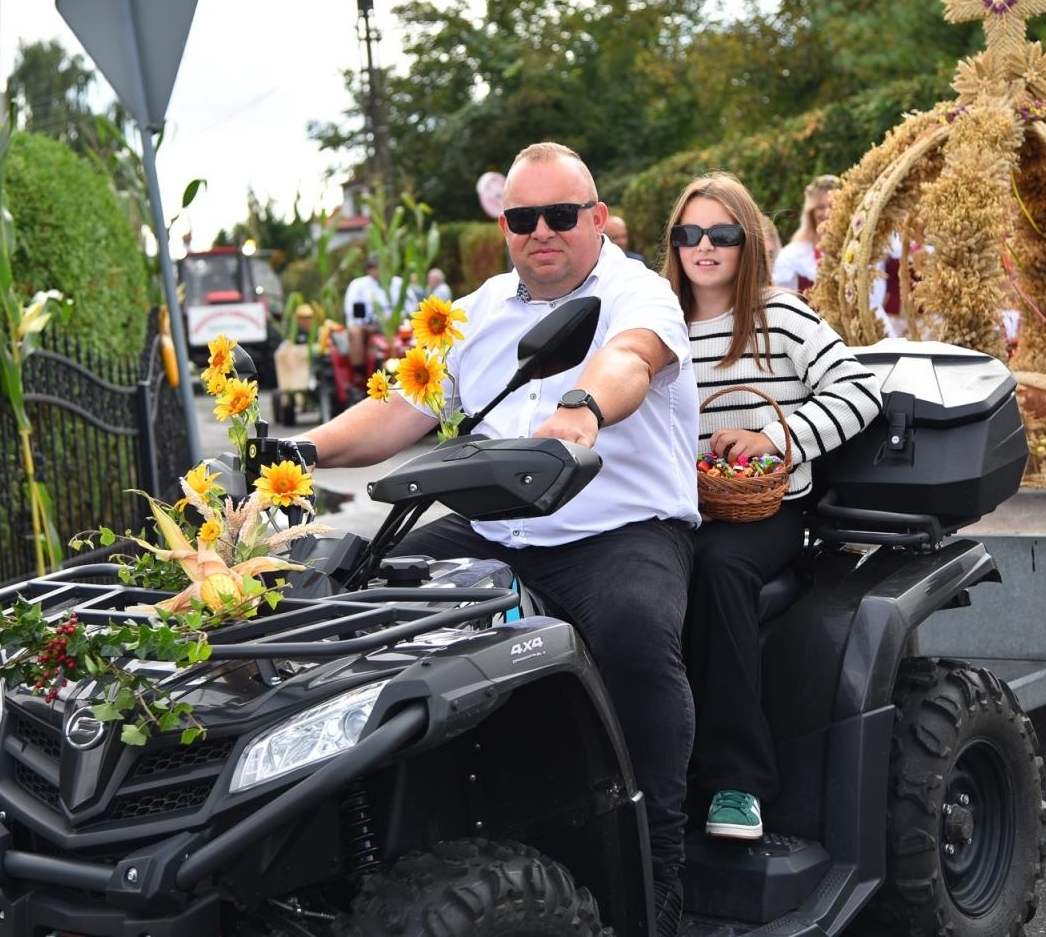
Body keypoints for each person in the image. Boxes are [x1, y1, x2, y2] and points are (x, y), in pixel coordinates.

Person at [306, 141, 698, 933]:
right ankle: (368, 842)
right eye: (524, 218)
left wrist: (583, 406)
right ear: (505, 225)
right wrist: (299, 451)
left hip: (616, 532)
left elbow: (631, 357)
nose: (541, 231)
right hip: (494, 533)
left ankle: (656, 865)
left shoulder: (638, 292)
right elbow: (396, 410)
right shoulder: (477, 310)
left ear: (597, 217)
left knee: (631, 631)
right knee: (355, 597)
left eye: (560, 215)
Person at [664, 171, 879, 842]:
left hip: (767, 511)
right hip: (681, 507)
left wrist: (774, 437)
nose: (704, 246)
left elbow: (859, 392)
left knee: (720, 571)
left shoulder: (778, 314)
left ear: (748, 240)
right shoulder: (657, 326)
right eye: (689, 233)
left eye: (721, 234)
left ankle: (737, 781)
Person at [772, 173, 838, 294]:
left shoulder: (857, 248)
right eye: (820, 207)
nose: (827, 213)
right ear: (811, 212)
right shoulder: (794, 254)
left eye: (832, 206)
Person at [343, 254, 392, 327]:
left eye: (376, 267)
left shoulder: (398, 282)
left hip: (395, 322)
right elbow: (350, 311)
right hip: (368, 325)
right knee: (356, 332)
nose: (374, 270)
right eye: (371, 267)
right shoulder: (357, 284)